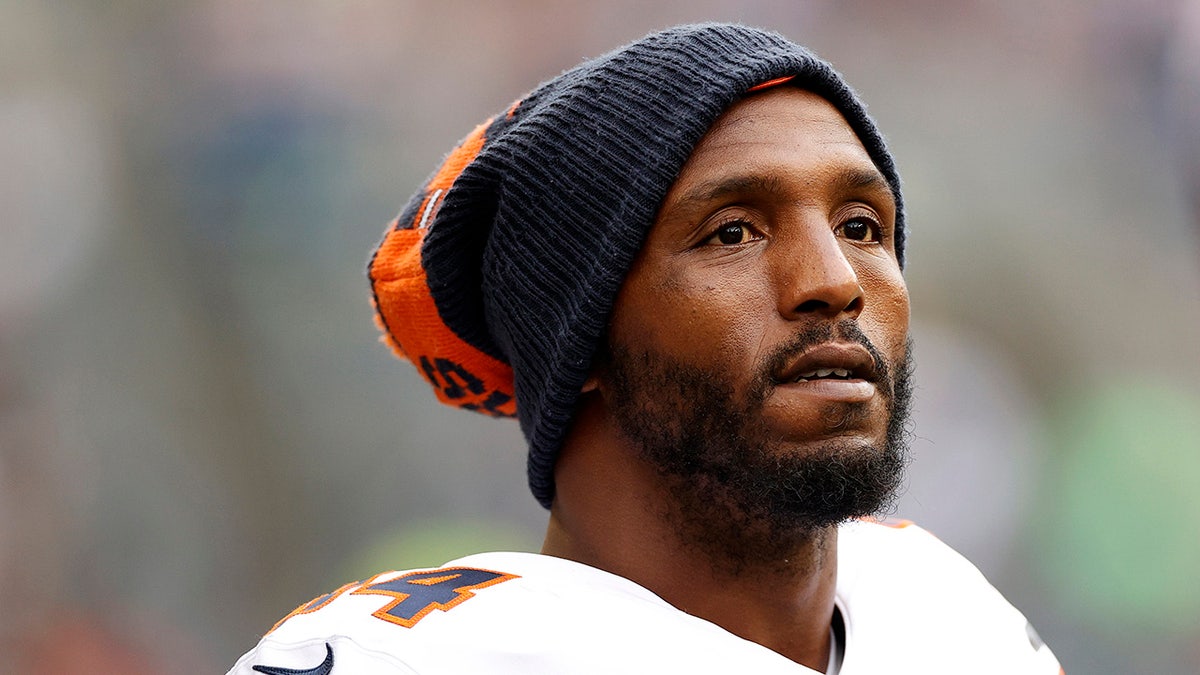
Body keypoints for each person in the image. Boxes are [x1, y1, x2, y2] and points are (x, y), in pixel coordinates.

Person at [228, 23, 1062, 674]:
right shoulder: (407, 659)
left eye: (861, 226)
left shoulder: (950, 614)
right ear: (578, 336)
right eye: (732, 231)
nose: (836, 280)